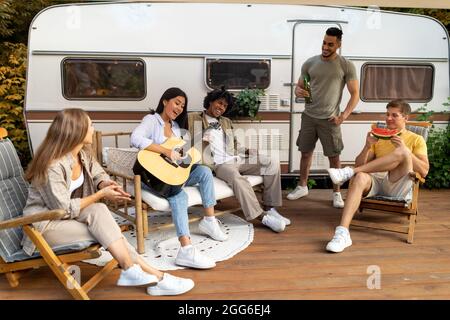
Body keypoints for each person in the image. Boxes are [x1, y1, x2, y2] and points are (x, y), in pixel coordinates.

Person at [22, 108, 194, 296]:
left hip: (68, 218)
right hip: (44, 227)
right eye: (90, 125)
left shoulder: (81, 154)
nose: (93, 129)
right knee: (108, 230)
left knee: (100, 214)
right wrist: (100, 194)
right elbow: (62, 208)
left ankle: (143, 273)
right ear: (76, 131)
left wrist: (104, 183)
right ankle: (156, 277)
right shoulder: (52, 165)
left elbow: (97, 173)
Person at [131, 87, 226, 270]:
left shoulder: (176, 128)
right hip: (151, 176)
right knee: (179, 195)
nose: (180, 108)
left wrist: (201, 142)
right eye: (177, 103)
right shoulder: (152, 121)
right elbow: (135, 138)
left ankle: (209, 221)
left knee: (204, 172)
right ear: (165, 101)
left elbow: (181, 157)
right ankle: (186, 249)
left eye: (183, 106)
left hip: (171, 174)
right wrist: (166, 150)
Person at [325, 100, 429, 253]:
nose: (389, 118)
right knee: (360, 177)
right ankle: (343, 232)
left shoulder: (416, 139)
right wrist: (367, 146)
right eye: (387, 114)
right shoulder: (378, 137)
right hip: (376, 182)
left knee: (401, 153)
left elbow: (424, 171)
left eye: (395, 115)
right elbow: (361, 162)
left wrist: (406, 151)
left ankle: (349, 172)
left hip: (398, 183)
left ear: (406, 118)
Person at [187, 87, 291, 233]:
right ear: (210, 101)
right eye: (219, 103)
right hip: (219, 165)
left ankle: (270, 208)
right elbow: (183, 140)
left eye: (224, 106)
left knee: (271, 162)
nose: (221, 108)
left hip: (236, 158)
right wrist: (200, 137)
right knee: (237, 178)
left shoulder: (226, 122)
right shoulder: (193, 118)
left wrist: (247, 151)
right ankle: (263, 217)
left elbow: (234, 145)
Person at [287, 27, 360, 209]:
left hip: (330, 119)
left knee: (334, 157)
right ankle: (302, 186)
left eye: (330, 44)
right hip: (309, 116)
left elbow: (355, 94)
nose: (325, 47)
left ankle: (336, 193)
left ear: (339, 44)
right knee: (305, 153)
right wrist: (298, 90)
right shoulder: (309, 63)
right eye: (324, 43)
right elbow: (299, 87)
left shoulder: (346, 65)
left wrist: (343, 116)